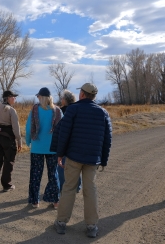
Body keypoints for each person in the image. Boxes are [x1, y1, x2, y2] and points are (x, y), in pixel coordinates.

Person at [53, 83, 112, 238]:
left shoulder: (73, 109)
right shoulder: (103, 113)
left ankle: (61, 223)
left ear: (82, 94)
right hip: (93, 159)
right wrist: (103, 160)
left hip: (73, 157)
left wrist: (60, 154)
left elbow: (64, 133)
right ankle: (92, 226)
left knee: (69, 188)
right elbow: (107, 139)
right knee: (90, 190)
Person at [25, 87, 62, 208]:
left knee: (35, 174)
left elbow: (29, 128)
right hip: (53, 148)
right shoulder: (57, 111)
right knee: (53, 174)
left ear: (41, 97)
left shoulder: (35, 110)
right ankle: (55, 201)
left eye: (38, 96)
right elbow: (62, 129)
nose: (37, 98)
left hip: (37, 147)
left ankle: (35, 201)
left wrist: (28, 141)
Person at [0, 90, 23, 192]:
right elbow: (16, 128)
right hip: (8, 138)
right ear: (7, 98)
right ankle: (6, 184)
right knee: (9, 161)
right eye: (13, 97)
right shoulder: (12, 111)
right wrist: (19, 141)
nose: (14, 99)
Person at [56, 90, 81, 194]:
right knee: (76, 166)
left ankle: (62, 186)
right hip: (76, 142)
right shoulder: (78, 110)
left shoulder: (61, 111)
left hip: (65, 142)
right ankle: (78, 186)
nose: (61, 100)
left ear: (65, 100)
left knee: (61, 166)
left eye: (62, 98)